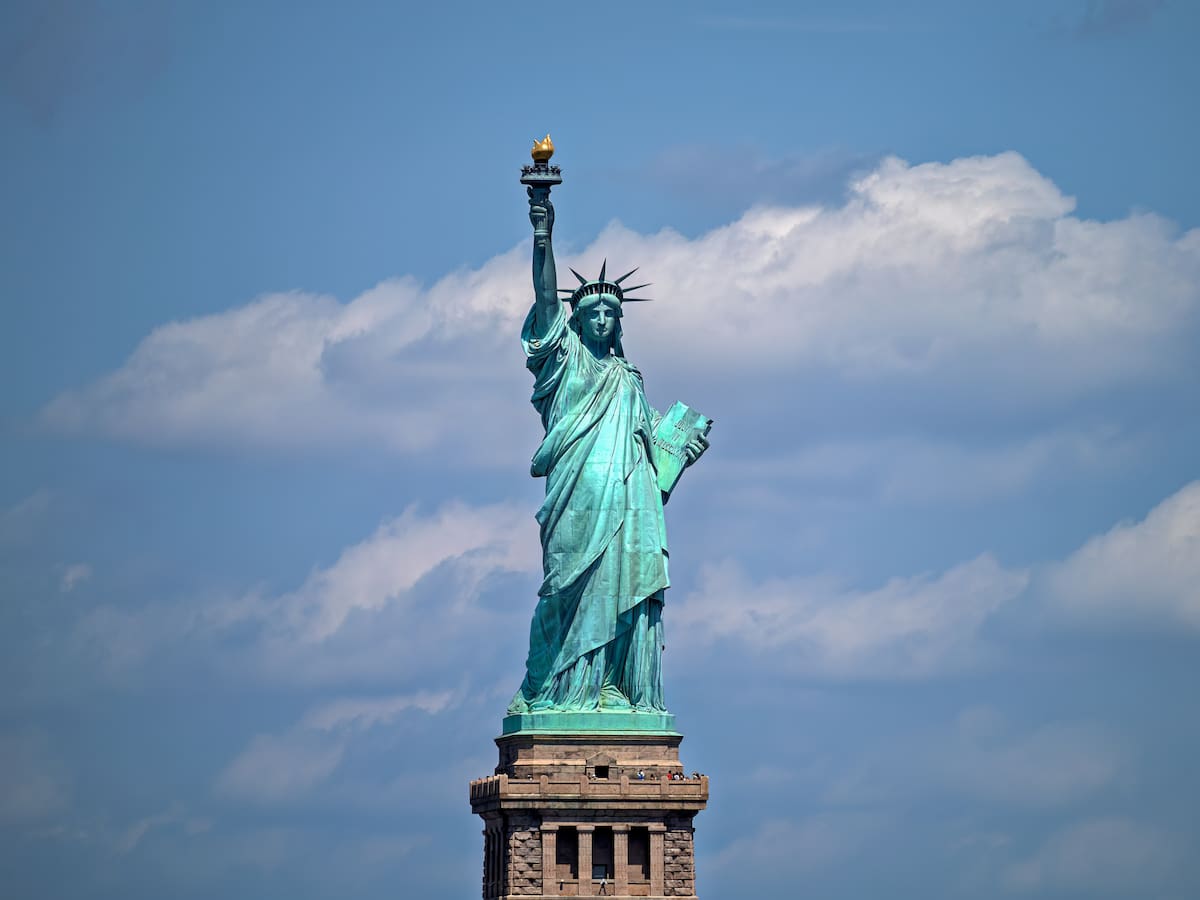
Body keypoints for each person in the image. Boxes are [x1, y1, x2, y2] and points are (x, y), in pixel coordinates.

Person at [507, 192, 709, 716]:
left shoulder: (628, 379)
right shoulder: (564, 363)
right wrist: (543, 233)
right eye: (591, 311)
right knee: (562, 593)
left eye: (609, 313)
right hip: (575, 499)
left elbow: (652, 462)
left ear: (619, 324)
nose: (600, 319)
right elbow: (547, 297)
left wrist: (680, 453)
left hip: (630, 501)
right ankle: (547, 689)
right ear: (576, 321)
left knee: (625, 590)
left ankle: (613, 688)